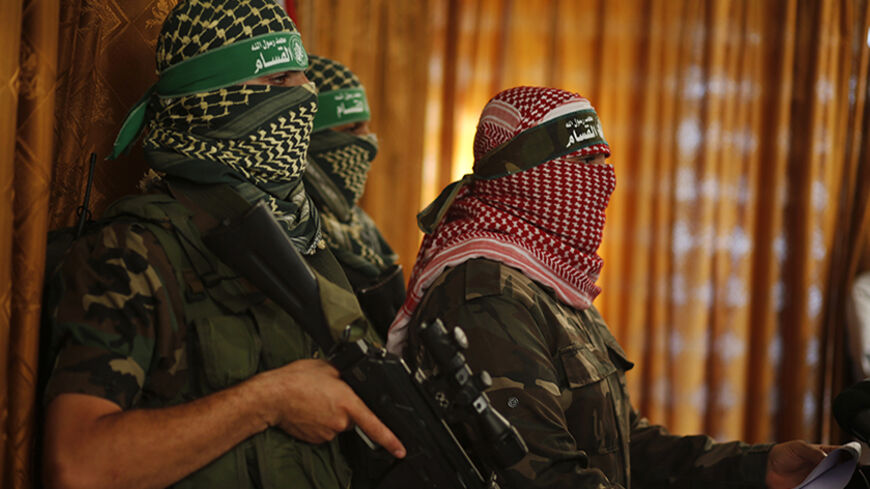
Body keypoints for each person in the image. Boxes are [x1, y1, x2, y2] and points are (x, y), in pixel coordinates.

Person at [387, 86, 833, 489]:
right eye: (585, 162)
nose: (604, 178)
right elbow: (543, 478)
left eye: (604, 160)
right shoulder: (485, 293)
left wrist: (759, 467)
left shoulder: (548, 280)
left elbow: (621, 443)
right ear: (527, 176)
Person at [41, 1, 404, 489]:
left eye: (302, 78)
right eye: (277, 83)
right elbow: (79, 464)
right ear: (209, 98)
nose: (304, 100)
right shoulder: (134, 251)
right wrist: (267, 402)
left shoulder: (309, 242)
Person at [303, 55, 405, 338]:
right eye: (351, 129)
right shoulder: (297, 225)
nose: (369, 142)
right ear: (313, 137)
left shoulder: (358, 223)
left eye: (367, 127)